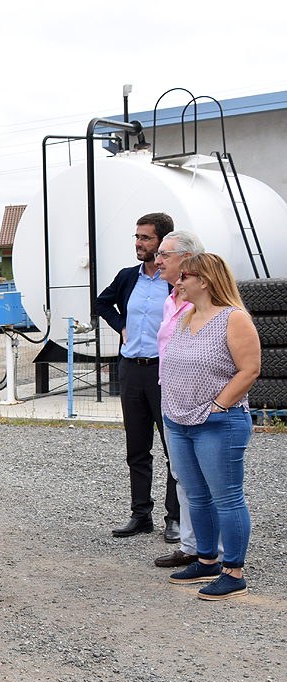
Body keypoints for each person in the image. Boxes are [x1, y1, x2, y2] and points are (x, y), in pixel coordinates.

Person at [160, 253, 260, 599]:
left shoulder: (234, 318)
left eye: (184, 276)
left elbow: (250, 369)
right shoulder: (187, 316)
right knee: (197, 496)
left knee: (227, 498)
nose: (178, 281)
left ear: (204, 280)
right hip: (180, 421)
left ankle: (234, 572)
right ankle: (206, 561)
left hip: (218, 423)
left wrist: (219, 406)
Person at [95, 213, 180, 541]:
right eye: (137, 237)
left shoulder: (177, 280)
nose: (139, 243)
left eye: (146, 238)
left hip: (165, 371)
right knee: (137, 448)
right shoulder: (128, 277)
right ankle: (140, 514)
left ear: (162, 241)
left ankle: (175, 518)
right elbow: (102, 303)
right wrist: (121, 327)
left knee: (174, 448)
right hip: (131, 369)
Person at [150, 231, 214, 568]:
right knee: (183, 475)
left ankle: (213, 553)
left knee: (207, 479)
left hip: (200, 399)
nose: (158, 260)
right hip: (171, 396)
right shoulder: (170, 299)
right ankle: (192, 547)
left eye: (165, 254)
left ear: (188, 259)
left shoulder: (207, 301)